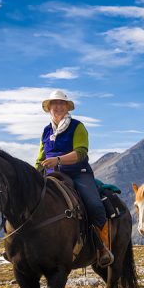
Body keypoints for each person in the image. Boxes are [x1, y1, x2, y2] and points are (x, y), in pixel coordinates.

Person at [35, 89, 113, 267]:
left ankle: (103, 248)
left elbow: (81, 153)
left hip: (78, 173)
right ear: (49, 108)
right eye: (54, 104)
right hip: (52, 175)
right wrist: (33, 174)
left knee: (94, 205)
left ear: (66, 107)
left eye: (61, 103)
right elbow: (40, 158)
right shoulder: (46, 131)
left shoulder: (77, 127)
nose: (58, 107)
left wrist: (59, 159)